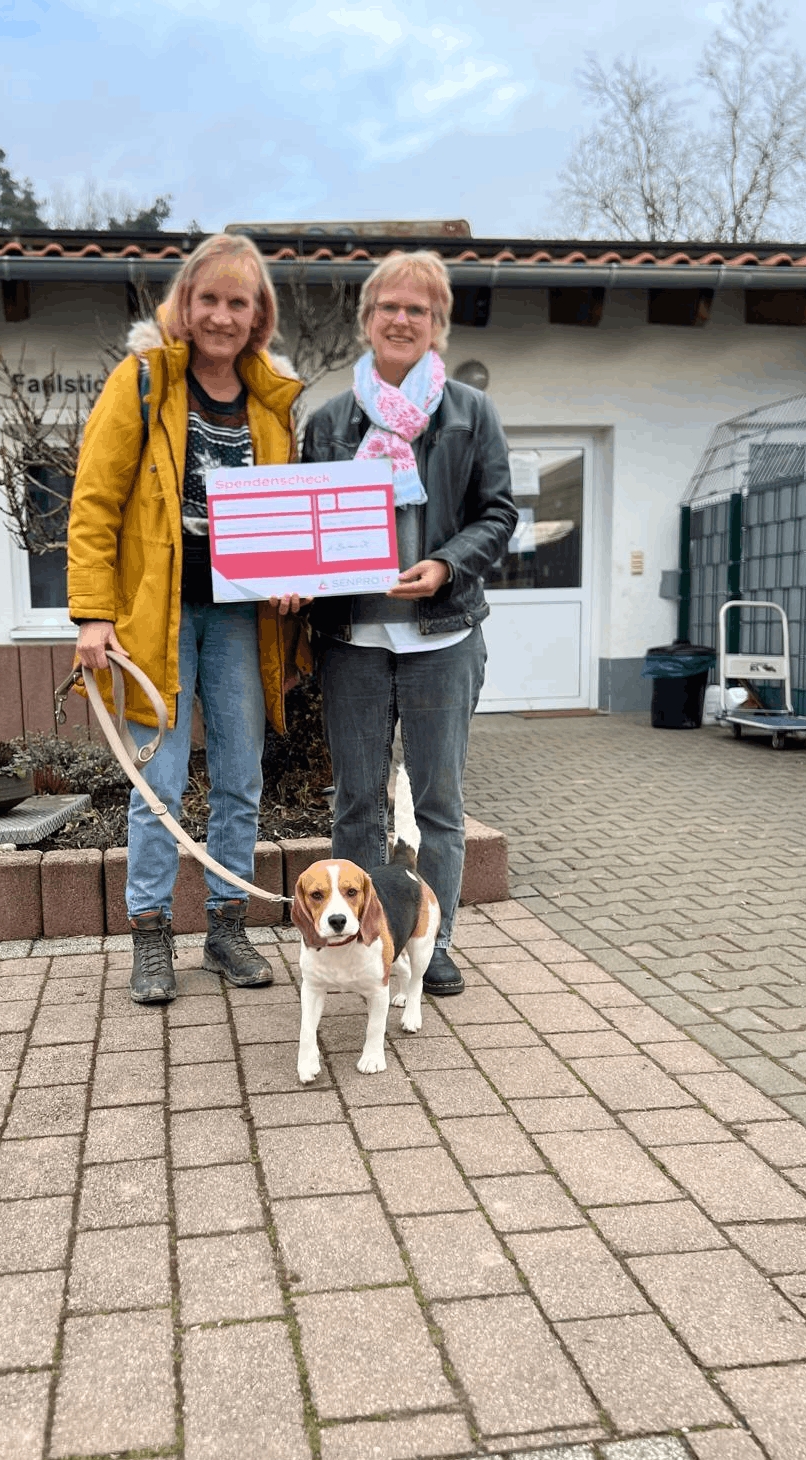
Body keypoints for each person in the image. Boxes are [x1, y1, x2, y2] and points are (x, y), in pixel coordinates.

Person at [67, 233, 304, 1004]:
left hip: (240, 620)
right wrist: (93, 614)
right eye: (210, 299)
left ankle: (227, 929)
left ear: (258, 314)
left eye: (240, 302)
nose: (222, 315)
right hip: (152, 619)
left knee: (241, 775)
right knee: (158, 782)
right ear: (185, 305)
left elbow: (288, 521)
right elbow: (96, 501)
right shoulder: (142, 382)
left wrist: (293, 581)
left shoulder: (273, 404)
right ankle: (151, 935)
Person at [301, 250, 517, 997]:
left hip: (443, 638)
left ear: (437, 325)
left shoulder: (470, 411)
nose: (400, 318)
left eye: (416, 309)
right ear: (367, 321)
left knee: (438, 805)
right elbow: (306, 523)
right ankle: (362, 944)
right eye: (388, 307)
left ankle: (437, 940)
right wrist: (291, 583)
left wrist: (448, 564)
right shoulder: (330, 420)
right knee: (356, 802)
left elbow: (499, 512)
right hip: (352, 641)